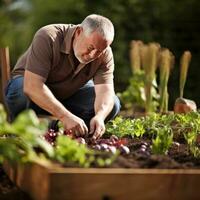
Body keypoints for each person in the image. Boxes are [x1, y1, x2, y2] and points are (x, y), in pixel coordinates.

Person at [5, 14, 121, 139]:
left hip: (68, 96)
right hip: (30, 90)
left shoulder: (105, 54)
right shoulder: (49, 36)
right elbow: (32, 86)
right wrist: (65, 116)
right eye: (91, 48)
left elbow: (106, 92)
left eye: (99, 51)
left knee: (113, 104)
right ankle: (22, 125)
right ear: (78, 32)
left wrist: (100, 116)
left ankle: (61, 126)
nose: (93, 55)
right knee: (21, 91)